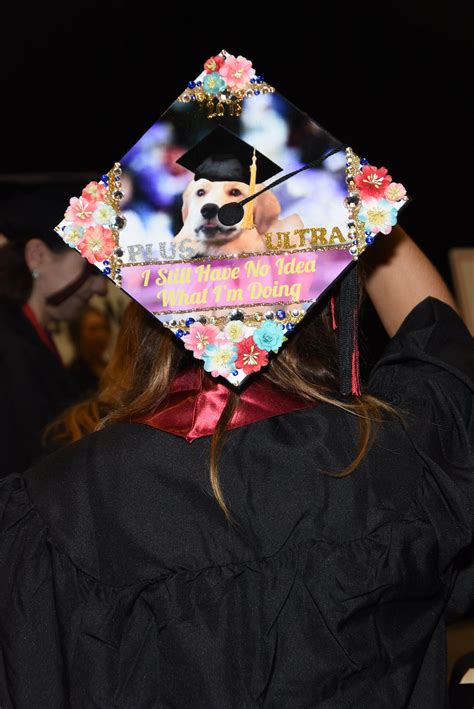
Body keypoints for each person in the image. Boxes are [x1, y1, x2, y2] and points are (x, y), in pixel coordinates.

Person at [0, 224, 472, 707]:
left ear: (147, 315)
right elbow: (444, 353)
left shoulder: (55, 511)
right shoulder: (387, 462)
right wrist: (349, 202)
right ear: (322, 309)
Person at [0, 185, 108, 477]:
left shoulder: (28, 336)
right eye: (92, 268)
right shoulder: (9, 347)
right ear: (37, 255)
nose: (100, 287)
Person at [67, 306, 112, 397]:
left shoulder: (113, 367)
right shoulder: (72, 377)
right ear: (77, 336)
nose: (101, 335)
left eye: (103, 328)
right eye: (93, 329)